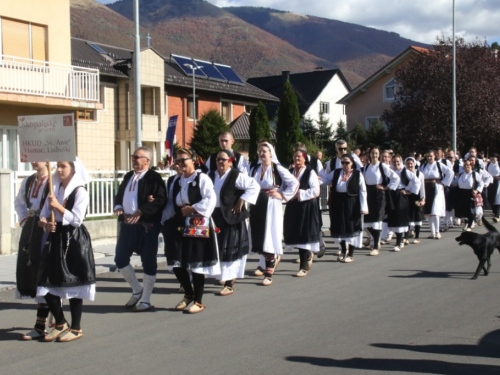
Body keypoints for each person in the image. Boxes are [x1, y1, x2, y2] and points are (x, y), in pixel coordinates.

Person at [37, 158, 94, 342]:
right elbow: (43, 215)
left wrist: (59, 207)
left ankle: (76, 327)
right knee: (45, 282)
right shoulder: (55, 189)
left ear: (73, 169)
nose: (59, 170)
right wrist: (45, 223)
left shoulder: (80, 191)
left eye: (63, 166)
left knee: (74, 282)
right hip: (56, 238)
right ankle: (60, 322)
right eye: (58, 166)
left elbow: (77, 219)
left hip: (73, 239)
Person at [166, 148, 220, 313]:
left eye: (184, 160)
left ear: (193, 160)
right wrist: (163, 221)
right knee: (175, 259)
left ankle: (198, 300)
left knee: (196, 262)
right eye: (178, 161)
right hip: (179, 222)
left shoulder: (202, 178)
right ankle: (188, 293)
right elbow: (169, 204)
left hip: (197, 221)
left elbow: (210, 199)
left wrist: (191, 209)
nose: (180, 164)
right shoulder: (175, 181)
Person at [113, 147, 167, 312]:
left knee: (148, 261)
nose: (134, 159)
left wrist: (141, 210)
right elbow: (120, 194)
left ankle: (146, 298)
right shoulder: (129, 176)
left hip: (147, 226)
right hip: (128, 225)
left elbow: (160, 200)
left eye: (137, 157)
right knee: (120, 259)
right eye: (133, 156)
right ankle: (137, 289)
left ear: (147, 160)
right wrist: (118, 206)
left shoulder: (154, 177)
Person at [209, 150, 259, 295]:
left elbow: (254, 186)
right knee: (219, 248)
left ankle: (229, 283)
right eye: (218, 159)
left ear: (230, 161)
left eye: (223, 160)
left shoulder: (236, 175)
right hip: (216, 216)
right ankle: (223, 276)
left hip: (231, 217)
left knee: (231, 250)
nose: (220, 162)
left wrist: (242, 200)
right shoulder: (211, 175)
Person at [249, 142, 299, 285]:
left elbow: (294, 183)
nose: (262, 153)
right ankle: (266, 264)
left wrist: (282, 195)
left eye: (265, 151)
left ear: (271, 153)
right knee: (259, 235)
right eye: (260, 151)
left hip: (271, 204)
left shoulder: (277, 168)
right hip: (257, 204)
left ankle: (269, 273)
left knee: (269, 236)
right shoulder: (254, 169)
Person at [14, 161, 51, 340]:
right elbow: (20, 202)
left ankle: (42, 324)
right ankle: (47, 320)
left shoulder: (54, 180)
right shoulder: (28, 181)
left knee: (45, 274)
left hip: (49, 230)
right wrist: (23, 220)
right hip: (32, 229)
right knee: (33, 271)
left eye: (39, 157)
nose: (34, 161)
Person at [322, 154, 368, 263]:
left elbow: (362, 191)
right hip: (338, 202)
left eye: (347, 162)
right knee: (340, 226)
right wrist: (316, 178)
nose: (344, 165)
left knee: (351, 226)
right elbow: (326, 179)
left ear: (352, 163)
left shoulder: (357, 174)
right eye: (342, 162)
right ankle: (343, 250)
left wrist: (363, 206)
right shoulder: (336, 172)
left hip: (352, 203)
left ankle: (351, 253)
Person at [284, 148, 321, 276]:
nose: (297, 159)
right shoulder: (290, 172)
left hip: (307, 207)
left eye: (299, 156)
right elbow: (284, 187)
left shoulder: (310, 172)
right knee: (295, 233)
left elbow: (316, 191)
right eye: (295, 156)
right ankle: (307, 256)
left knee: (304, 235)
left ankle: (303, 266)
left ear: (305, 158)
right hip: (293, 207)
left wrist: (300, 193)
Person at [361, 148, 399, 256]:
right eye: (372, 153)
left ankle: (376, 247)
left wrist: (387, 187)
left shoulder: (383, 166)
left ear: (379, 155)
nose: (374, 155)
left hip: (379, 195)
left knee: (377, 219)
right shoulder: (366, 167)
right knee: (366, 221)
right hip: (368, 194)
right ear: (370, 154)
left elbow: (395, 178)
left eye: (376, 153)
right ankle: (374, 238)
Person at [387, 155, 421, 251]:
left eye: (397, 161)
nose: (396, 163)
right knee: (394, 217)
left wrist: (409, 191)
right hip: (392, 195)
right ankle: (400, 240)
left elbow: (417, 181)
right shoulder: (390, 171)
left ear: (401, 162)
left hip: (401, 195)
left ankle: (399, 242)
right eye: (394, 161)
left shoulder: (404, 171)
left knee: (400, 218)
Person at [419, 150, 454, 239]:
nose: (429, 158)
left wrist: (443, 182)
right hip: (426, 188)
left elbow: (450, 172)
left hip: (436, 188)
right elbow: (418, 175)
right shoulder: (423, 166)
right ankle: (432, 232)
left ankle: (438, 231)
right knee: (429, 212)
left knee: (435, 211)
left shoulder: (439, 165)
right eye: (428, 156)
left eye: (431, 156)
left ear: (435, 156)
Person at [452, 159, 484, 231]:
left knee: (470, 210)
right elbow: (454, 182)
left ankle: (470, 225)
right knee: (463, 210)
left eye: (468, 165)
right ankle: (466, 223)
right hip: (461, 193)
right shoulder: (461, 174)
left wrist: (477, 190)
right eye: (465, 165)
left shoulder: (474, 174)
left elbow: (481, 183)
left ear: (471, 166)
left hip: (470, 193)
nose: (467, 166)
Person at [405, 157, 425, 244]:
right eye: (408, 163)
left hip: (417, 197)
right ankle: (406, 237)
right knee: (407, 217)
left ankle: (417, 237)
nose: (410, 165)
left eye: (411, 163)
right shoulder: (404, 173)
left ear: (414, 164)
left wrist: (423, 198)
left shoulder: (420, 174)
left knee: (417, 217)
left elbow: (422, 187)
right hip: (407, 197)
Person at [486, 153, 500, 221]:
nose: (493, 158)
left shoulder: (498, 164)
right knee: (490, 197)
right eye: (492, 157)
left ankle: (497, 214)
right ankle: (494, 210)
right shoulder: (488, 164)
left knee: (497, 197)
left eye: (494, 157)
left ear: (497, 158)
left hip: (497, 182)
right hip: (490, 182)